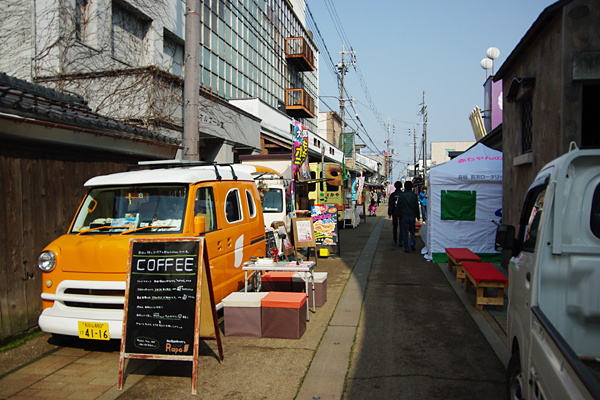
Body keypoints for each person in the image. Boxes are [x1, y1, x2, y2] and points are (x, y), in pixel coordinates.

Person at [398, 181, 420, 253]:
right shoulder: (414, 195)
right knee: (412, 230)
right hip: (412, 215)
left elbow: (399, 205)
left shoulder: (401, 195)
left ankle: (406, 247)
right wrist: (418, 215)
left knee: (404, 231)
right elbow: (416, 206)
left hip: (404, 215)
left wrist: (398, 215)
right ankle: (412, 243)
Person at [387, 181, 403, 246]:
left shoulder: (392, 195)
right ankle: (401, 240)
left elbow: (390, 204)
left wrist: (389, 213)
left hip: (394, 212)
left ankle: (395, 239)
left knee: (395, 226)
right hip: (402, 213)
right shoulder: (403, 194)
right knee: (401, 227)